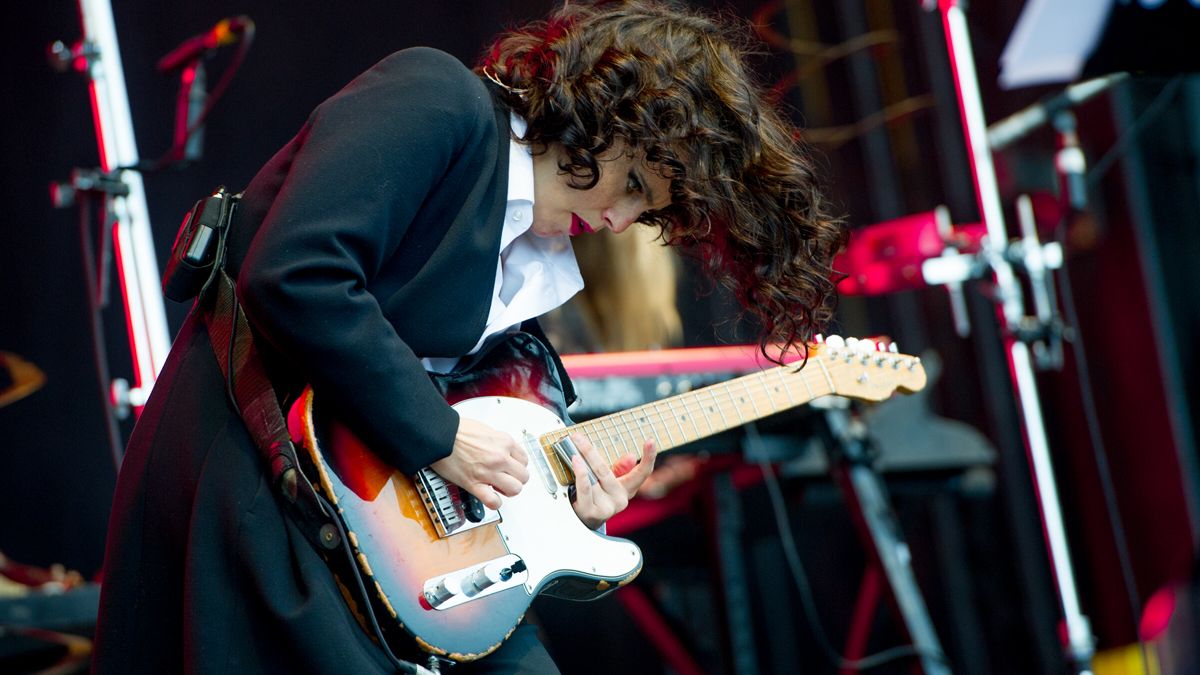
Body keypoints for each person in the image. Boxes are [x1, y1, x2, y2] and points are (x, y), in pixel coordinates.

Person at [92, 0, 845, 673]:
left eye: (645, 212)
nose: (619, 222)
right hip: (259, 491)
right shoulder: (438, 95)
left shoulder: (526, 243)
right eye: (637, 187)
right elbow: (297, 271)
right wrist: (440, 433)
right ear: (616, 116)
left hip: (368, 534)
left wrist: (568, 499)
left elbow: (442, 396)